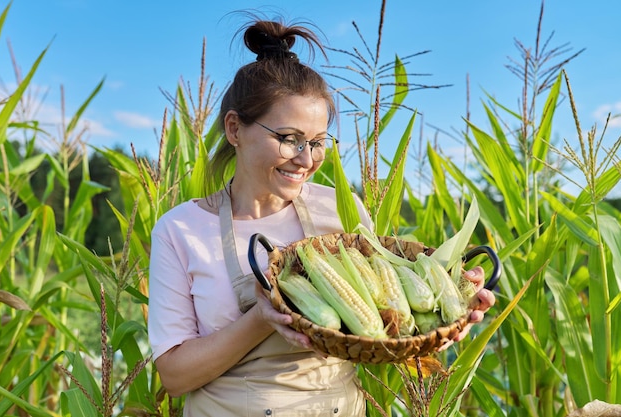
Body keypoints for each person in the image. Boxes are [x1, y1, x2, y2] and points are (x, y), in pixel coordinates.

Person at [147, 17, 496, 416]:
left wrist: (448, 311)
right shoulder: (181, 230)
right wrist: (262, 318)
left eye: (317, 142)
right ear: (234, 129)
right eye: (289, 139)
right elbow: (174, 377)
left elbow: (380, 332)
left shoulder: (339, 211)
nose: (307, 159)